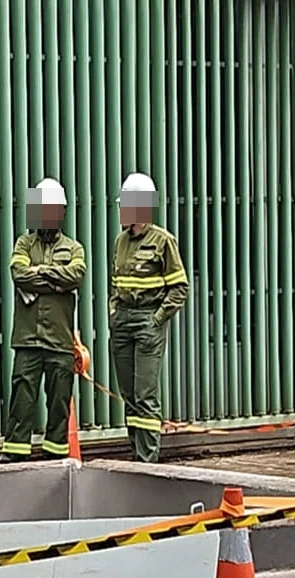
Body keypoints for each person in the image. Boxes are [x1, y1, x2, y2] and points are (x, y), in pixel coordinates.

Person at [0, 178, 87, 462]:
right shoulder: (23, 244)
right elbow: (18, 274)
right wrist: (55, 279)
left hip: (60, 340)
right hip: (27, 339)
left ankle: (55, 458)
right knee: (22, 400)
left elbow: (77, 275)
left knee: (59, 402)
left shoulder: (74, 248)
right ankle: (15, 454)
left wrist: (40, 275)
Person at [108, 172, 189, 463]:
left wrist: (156, 320)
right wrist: (114, 311)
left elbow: (180, 288)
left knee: (145, 393)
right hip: (123, 323)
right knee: (129, 393)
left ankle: (148, 458)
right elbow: (116, 282)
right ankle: (136, 450)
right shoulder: (120, 241)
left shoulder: (163, 241)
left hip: (147, 322)